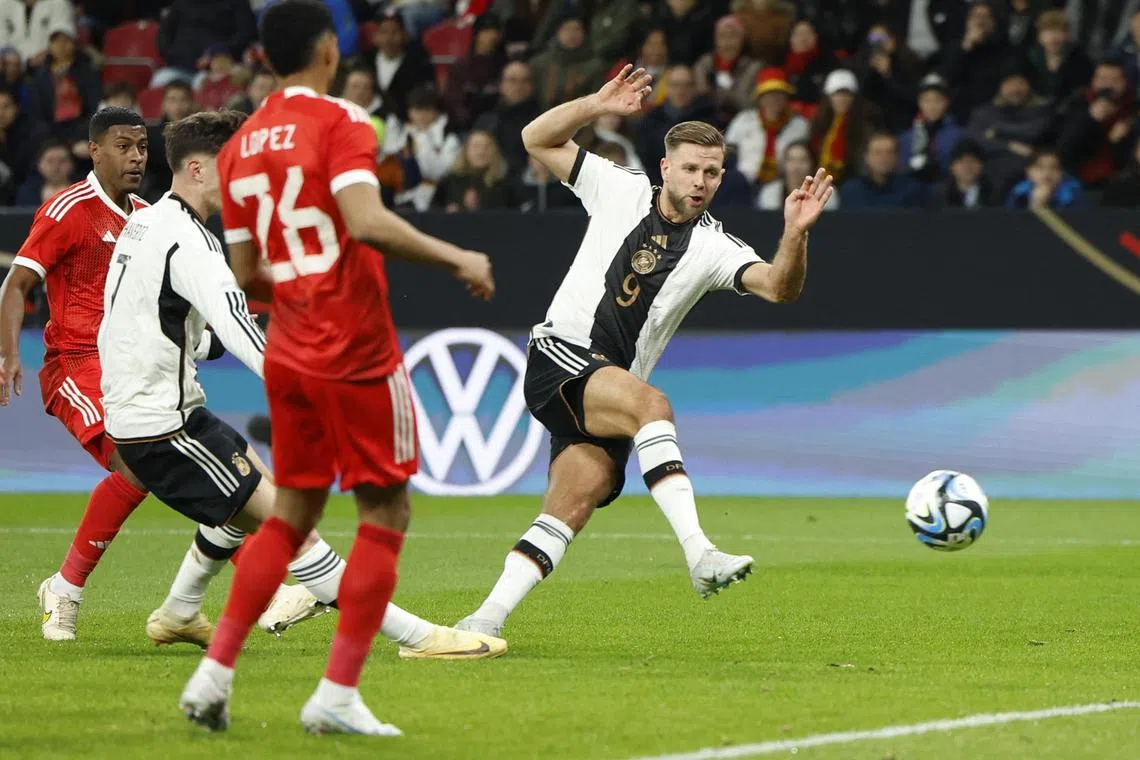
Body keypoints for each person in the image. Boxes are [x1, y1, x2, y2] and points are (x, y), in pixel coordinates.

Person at [179, 0, 497, 736]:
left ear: (267, 58)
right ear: (329, 50)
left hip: (288, 352)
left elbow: (245, 273)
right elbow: (365, 222)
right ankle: (338, 693)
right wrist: (458, 257)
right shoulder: (343, 121)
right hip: (354, 348)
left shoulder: (239, 147)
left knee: (292, 513)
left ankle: (214, 674)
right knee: (386, 513)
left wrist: (296, 289)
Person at [100, 109, 504, 658]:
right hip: (162, 428)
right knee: (293, 527)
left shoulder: (147, 224)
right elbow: (239, 328)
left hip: (162, 413)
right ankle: (419, 638)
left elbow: (157, 325)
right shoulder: (193, 244)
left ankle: (179, 611)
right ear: (197, 169)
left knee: (250, 492)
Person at [454, 65, 833, 642]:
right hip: (560, 356)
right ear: (665, 168)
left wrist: (796, 233)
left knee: (570, 506)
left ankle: (483, 620)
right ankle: (699, 553)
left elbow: (780, 288)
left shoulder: (714, 247)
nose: (700, 181)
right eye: (690, 168)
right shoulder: (618, 187)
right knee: (653, 406)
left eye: (711, 172)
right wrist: (595, 105)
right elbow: (535, 139)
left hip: (606, 391)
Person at [0, 108, 152, 642]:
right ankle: (65, 589)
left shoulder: (148, 217)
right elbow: (15, 285)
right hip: (77, 363)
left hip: (134, 367)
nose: (136, 157)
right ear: (94, 150)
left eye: (142, 147)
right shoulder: (68, 209)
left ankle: (222, 596)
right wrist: (8, 355)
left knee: (177, 466)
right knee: (138, 461)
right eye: (123, 146)